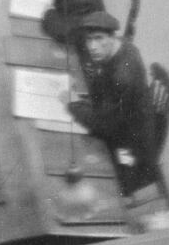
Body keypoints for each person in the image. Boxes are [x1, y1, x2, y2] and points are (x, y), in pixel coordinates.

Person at [68, 11, 159, 195]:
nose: (92, 46)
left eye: (98, 38)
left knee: (77, 164)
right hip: (128, 127)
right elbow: (103, 91)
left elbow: (105, 126)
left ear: (111, 37)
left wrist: (75, 105)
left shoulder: (122, 77)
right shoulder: (123, 47)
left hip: (131, 152)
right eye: (89, 39)